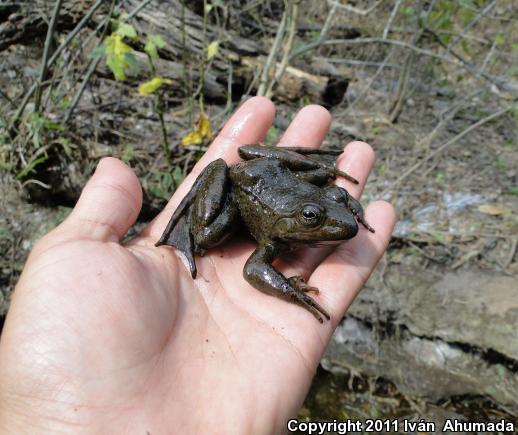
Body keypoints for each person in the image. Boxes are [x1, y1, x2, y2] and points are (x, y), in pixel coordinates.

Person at [0, 97, 395, 434]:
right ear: (298, 221)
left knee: (329, 180)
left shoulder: (323, 206)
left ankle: (311, 179)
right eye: (314, 218)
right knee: (207, 237)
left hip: (275, 174)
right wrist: (291, 290)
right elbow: (253, 269)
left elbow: (337, 201)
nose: (336, 225)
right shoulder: (275, 238)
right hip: (245, 189)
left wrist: (346, 205)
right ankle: (191, 224)